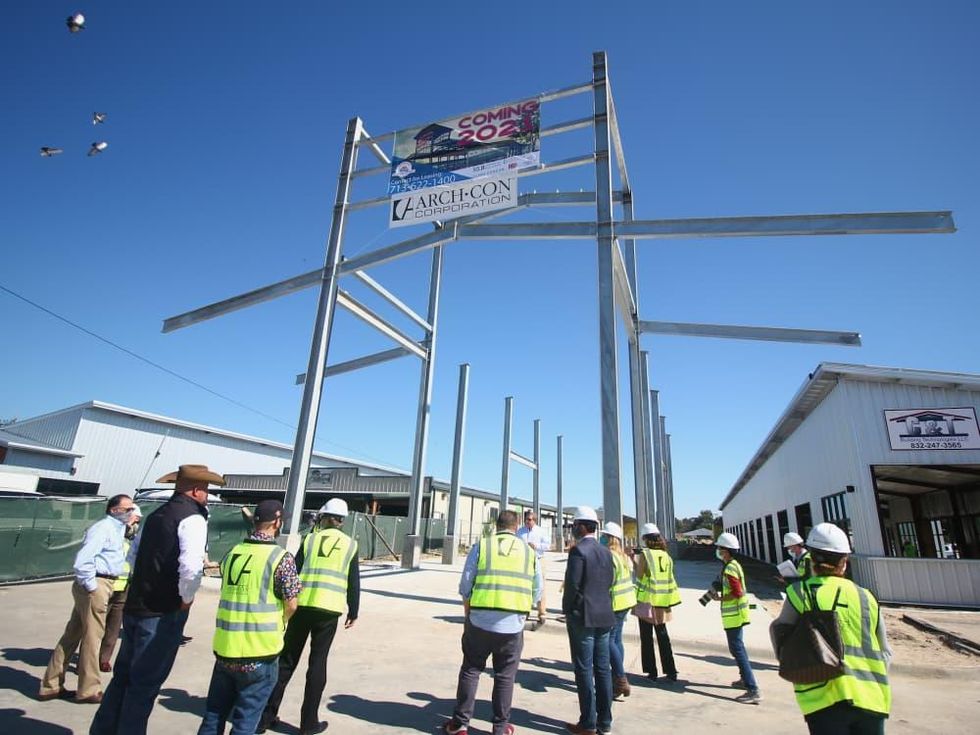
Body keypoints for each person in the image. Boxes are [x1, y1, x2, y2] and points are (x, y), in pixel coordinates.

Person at [91, 464, 224, 735]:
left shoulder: (156, 515)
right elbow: (190, 566)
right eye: (207, 490)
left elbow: (133, 556)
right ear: (197, 490)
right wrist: (186, 598)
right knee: (144, 685)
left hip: (136, 605)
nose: (208, 495)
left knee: (123, 678)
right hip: (163, 612)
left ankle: (103, 730)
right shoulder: (193, 518)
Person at [770, 523, 891, 734]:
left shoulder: (801, 593)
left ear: (812, 559)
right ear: (844, 562)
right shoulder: (866, 597)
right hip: (871, 697)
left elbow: (779, 632)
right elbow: (885, 652)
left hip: (823, 697)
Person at [198, 500, 301, 735]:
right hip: (260, 653)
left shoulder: (233, 553)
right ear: (277, 523)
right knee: (246, 721)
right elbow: (292, 603)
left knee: (213, 715)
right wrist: (281, 621)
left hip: (226, 649)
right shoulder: (281, 558)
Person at [259, 498, 359, 735]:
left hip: (302, 606)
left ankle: (265, 717)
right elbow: (353, 581)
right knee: (317, 664)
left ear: (323, 517)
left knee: (285, 662)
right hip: (329, 610)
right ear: (342, 521)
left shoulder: (310, 539)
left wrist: (284, 602)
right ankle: (308, 724)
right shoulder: (350, 544)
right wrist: (353, 610)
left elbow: (293, 569)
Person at [441, 509, 541, 735]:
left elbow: (465, 585)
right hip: (512, 624)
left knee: (471, 670)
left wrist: (468, 613)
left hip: (479, 620)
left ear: (497, 526)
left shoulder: (482, 546)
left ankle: (459, 724)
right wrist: (523, 608)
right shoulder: (528, 552)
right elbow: (538, 590)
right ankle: (500, 727)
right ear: (517, 527)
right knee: (505, 676)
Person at [40, 494, 137, 703]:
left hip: (104, 583)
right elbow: (84, 560)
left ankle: (51, 684)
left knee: (72, 635)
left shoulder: (119, 530)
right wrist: (92, 586)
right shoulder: (103, 529)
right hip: (97, 583)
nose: (131, 512)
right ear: (114, 510)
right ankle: (88, 689)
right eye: (127, 509)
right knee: (93, 637)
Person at [562, 506, 615, 735]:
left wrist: (567, 608)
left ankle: (588, 723)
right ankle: (605, 722)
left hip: (582, 617)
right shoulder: (606, 552)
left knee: (584, 669)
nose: (573, 530)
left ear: (582, 526)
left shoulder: (578, 551)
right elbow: (610, 581)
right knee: (602, 669)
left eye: (574, 526)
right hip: (604, 615)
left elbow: (572, 585)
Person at [713, 532, 761, 704]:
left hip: (733, 614)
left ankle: (752, 689)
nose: (718, 551)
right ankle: (744, 679)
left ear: (726, 550)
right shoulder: (731, 565)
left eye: (720, 548)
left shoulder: (731, 567)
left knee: (738, 650)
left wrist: (719, 598)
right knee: (736, 649)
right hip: (735, 614)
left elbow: (737, 592)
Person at [633, 522, 680, 684]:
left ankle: (651, 672)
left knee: (646, 638)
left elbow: (640, 576)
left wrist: (635, 561)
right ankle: (671, 671)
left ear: (646, 539)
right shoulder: (666, 556)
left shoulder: (646, 555)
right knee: (663, 637)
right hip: (663, 601)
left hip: (647, 602)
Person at [99, 505, 142, 672]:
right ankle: (87, 659)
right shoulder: (109, 533)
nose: (136, 523)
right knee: (96, 626)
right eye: (134, 519)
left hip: (123, 587)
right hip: (105, 586)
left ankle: (104, 659)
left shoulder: (133, 539)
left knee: (114, 627)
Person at [598, 522, 636, 699]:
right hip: (626, 601)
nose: (602, 538)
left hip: (615, 602)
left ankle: (620, 679)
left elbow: (608, 581)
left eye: (604, 535)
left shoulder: (610, 556)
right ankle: (617, 676)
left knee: (608, 641)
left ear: (610, 538)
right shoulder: (624, 556)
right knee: (617, 639)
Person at [516, 509, 550, 627]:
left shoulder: (541, 531)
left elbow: (547, 545)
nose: (528, 521)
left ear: (535, 520)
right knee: (526, 586)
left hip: (539, 559)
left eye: (530, 519)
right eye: (526, 519)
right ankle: (525, 610)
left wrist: (536, 546)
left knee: (541, 586)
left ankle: (542, 612)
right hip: (525, 561)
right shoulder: (520, 532)